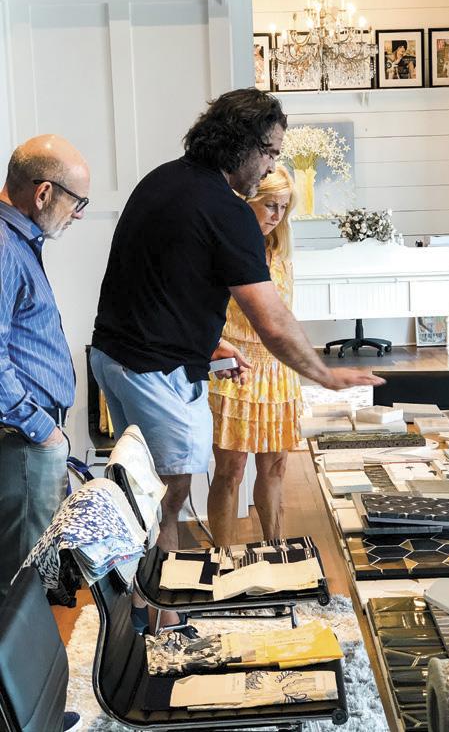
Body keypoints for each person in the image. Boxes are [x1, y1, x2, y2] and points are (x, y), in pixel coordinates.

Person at [90, 87, 384, 626]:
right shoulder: (227, 210)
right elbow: (272, 321)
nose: (271, 164)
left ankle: (142, 603)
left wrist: (208, 342)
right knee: (168, 494)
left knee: (140, 487)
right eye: (269, 152)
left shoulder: (163, 179)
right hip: (153, 370)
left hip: (114, 356)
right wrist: (323, 373)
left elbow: (159, 284)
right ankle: (162, 621)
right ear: (241, 144)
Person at [0, 135, 90, 604]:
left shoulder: (18, 241)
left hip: (30, 438)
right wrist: (41, 429)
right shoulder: (3, 245)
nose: (79, 214)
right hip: (22, 439)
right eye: (77, 202)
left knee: (34, 575)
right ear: (43, 193)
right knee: (22, 584)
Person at [208, 166, 300, 545]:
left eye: (283, 206)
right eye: (270, 205)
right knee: (231, 470)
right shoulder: (222, 246)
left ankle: (275, 550)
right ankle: (223, 560)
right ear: (248, 202)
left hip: (278, 371)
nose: (277, 215)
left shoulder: (281, 253)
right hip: (235, 368)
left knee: (275, 468)